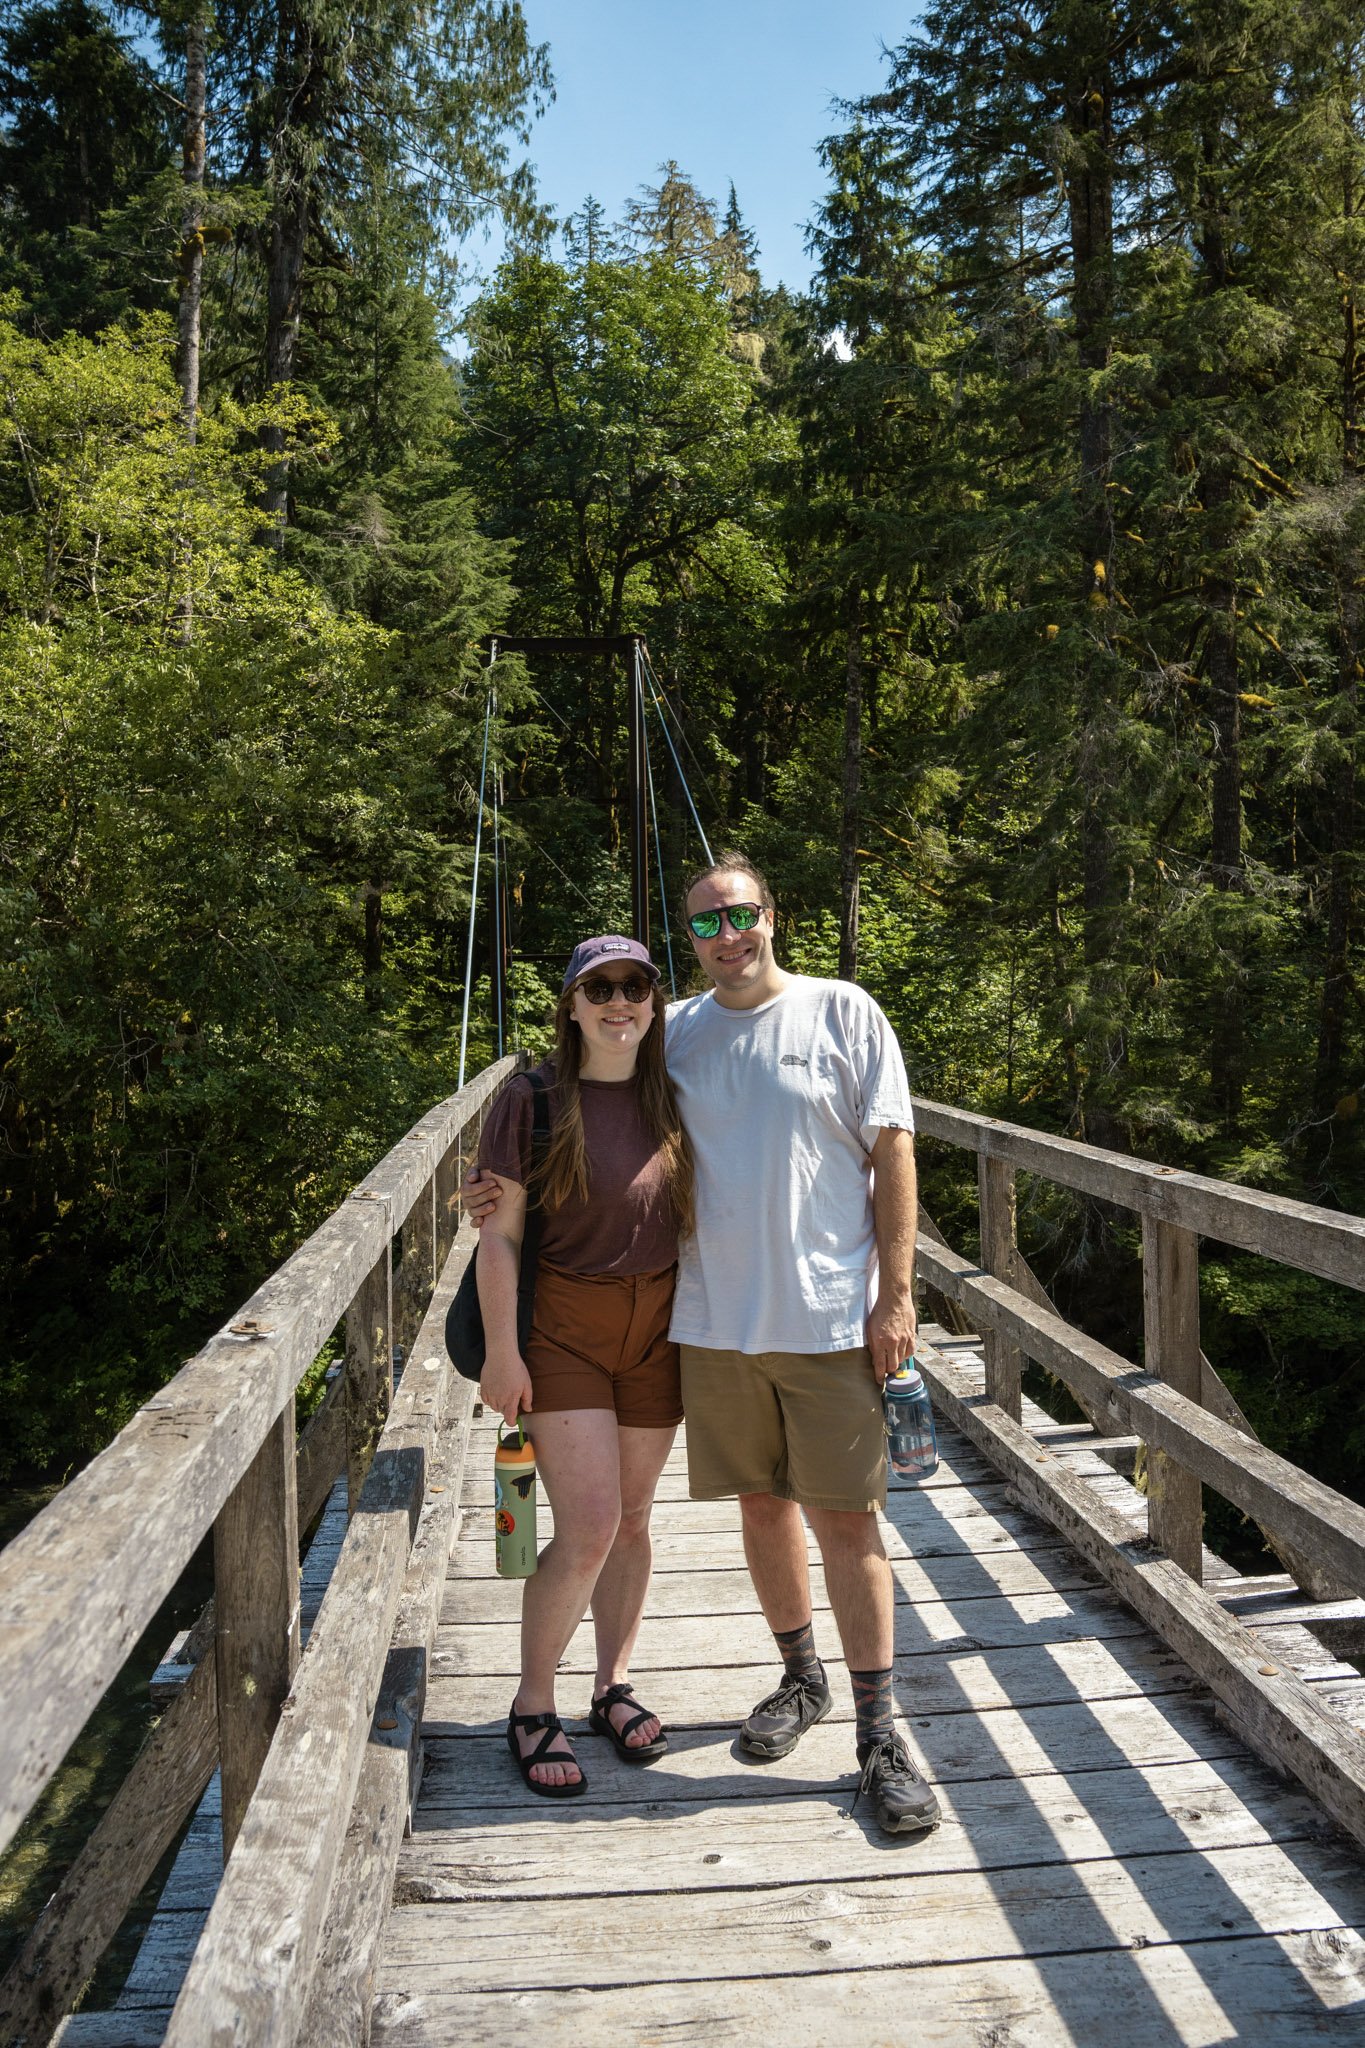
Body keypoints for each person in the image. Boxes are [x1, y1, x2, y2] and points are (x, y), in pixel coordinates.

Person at [466, 854, 939, 1835]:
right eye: (706, 923)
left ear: (773, 916)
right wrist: (493, 1195)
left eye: (741, 913)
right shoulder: (669, 1034)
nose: (727, 934)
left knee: (843, 1523)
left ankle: (878, 1733)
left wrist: (897, 1297)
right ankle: (791, 1676)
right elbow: (543, 1147)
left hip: (818, 1322)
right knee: (751, 1509)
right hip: (709, 1327)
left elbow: (894, 1148)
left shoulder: (841, 1013)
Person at [475, 934, 692, 1798]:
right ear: (569, 1005)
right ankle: (532, 1706)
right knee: (592, 1524)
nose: (617, 1000)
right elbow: (498, 1236)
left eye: (634, 985)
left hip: (661, 1328)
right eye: (596, 987)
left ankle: (611, 1684)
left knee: (635, 1520)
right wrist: (501, 1351)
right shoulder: (532, 1099)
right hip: (564, 1329)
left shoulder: (677, 1093)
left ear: (652, 1003)